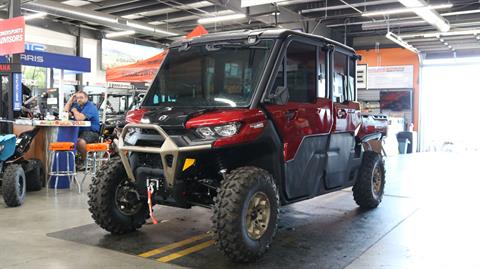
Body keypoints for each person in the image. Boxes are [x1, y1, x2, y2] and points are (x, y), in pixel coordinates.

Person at [63, 90, 100, 165]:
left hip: (92, 132)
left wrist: (74, 110)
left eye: (81, 97)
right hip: (79, 131)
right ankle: (68, 162)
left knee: (80, 142)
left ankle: (85, 161)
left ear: (86, 98)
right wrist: (70, 100)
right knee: (65, 139)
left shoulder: (90, 106)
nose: (79, 99)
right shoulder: (77, 105)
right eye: (77, 98)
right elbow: (65, 112)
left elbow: (80, 118)